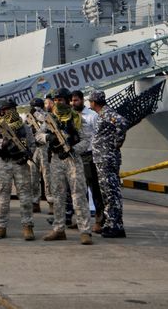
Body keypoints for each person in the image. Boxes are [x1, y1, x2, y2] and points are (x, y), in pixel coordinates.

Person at [37, 88, 94, 245]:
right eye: (55, 100)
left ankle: (85, 231)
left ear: (68, 101)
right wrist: (48, 137)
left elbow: (86, 139)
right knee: (58, 195)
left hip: (73, 159)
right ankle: (59, 229)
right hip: (56, 160)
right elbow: (38, 136)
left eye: (60, 100)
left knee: (78, 195)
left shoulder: (77, 118)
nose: (57, 103)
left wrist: (73, 148)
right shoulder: (50, 119)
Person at [0, 99, 36, 241]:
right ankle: (0, 227)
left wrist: (27, 155)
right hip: (4, 165)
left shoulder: (24, 127)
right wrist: (2, 143)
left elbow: (32, 143)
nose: (7, 112)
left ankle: (27, 226)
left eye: (10, 109)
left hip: (20, 165)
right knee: (2, 199)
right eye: (4, 110)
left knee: (25, 198)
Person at [88, 90, 129, 238]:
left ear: (94, 102)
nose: (89, 103)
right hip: (102, 158)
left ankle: (116, 226)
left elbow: (122, 122)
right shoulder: (102, 114)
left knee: (111, 192)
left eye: (90, 101)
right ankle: (111, 223)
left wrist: (117, 142)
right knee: (106, 193)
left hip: (107, 158)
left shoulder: (107, 113)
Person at [72, 90, 104, 232]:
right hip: (75, 155)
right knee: (79, 190)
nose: (74, 103)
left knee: (94, 188)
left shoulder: (92, 116)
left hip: (89, 155)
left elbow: (99, 136)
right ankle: (81, 220)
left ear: (82, 100)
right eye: (72, 101)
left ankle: (99, 220)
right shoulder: (70, 116)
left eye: (76, 100)